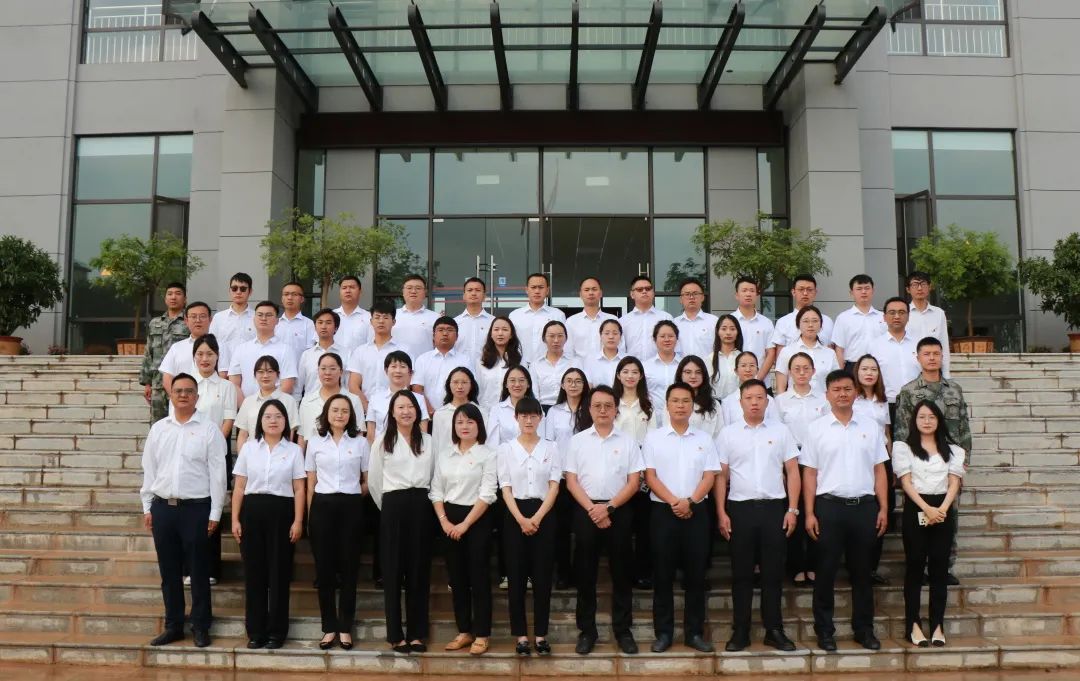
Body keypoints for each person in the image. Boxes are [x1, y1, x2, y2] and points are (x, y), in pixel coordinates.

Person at [801, 370, 889, 652]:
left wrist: (884, 507)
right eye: (836, 389)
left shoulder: (870, 427)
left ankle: (864, 630)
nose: (842, 394)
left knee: (862, 573)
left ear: (855, 392)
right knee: (825, 572)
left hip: (864, 507)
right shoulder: (816, 429)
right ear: (827, 394)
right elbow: (809, 473)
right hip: (829, 508)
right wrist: (809, 512)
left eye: (847, 389)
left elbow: (879, 470)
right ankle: (825, 631)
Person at [139, 373, 227, 649]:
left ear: (197, 397)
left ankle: (200, 625)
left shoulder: (209, 430)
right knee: (169, 571)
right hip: (163, 508)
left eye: (189, 391)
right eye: (178, 391)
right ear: (170, 394)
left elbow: (218, 474)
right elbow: (149, 469)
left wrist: (215, 512)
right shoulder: (159, 429)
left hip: (196, 509)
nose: (183, 395)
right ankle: (173, 625)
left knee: (199, 570)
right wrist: (147, 506)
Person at [714, 379, 800, 652]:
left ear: (767, 401)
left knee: (773, 574)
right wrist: (721, 512)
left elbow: (792, 471)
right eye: (749, 397)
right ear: (740, 401)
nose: (754, 402)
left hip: (774, 509)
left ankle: (774, 629)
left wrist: (792, 509)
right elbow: (721, 476)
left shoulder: (781, 431)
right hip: (740, 509)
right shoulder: (727, 434)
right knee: (741, 574)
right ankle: (740, 630)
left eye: (760, 397)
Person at [564, 386, 644, 655]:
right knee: (585, 573)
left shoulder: (628, 442)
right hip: (586, 509)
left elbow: (634, 482)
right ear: (589, 409)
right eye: (597, 405)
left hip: (618, 509)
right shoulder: (577, 441)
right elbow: (571, 481)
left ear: (615, 410)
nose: (602, 410)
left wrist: (608, 508)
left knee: (622, 572)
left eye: (608, 406)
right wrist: (593, 510)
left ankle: (623, 631)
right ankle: (587, 631)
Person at [643, 382, 720, 654]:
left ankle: (694, 633)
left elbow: (710, 476)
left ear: (692, 405)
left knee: (696, 576)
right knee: (662, 575)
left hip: (696, 511)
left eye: (685, 401)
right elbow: (650, 477)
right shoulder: (653, 438)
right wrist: (675, 502)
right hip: (663, 512)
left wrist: (690, 501)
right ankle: (663, 633)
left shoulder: (704, 439)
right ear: (667, 405)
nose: (680, 405)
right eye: (675, 401)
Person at [893, 336, 971, 585]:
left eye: (936, 353)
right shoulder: (909, 391)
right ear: (917, 358)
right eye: (926, 354)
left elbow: (964, 427)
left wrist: (963, 463)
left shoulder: (954, 389)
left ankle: (943, 567)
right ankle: (919, 567)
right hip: (919, 466)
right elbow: (902, 431)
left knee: (949, 516)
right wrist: (904, 468)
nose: (932, 358)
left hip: (949, 464)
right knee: (918, 516)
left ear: (942, 356)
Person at [231, 399, 306, 649]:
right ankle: (256, 631)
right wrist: (235, 519)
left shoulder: (294, 451)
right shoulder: (249, 448)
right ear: (260, 421)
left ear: (286, 421)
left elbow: (299, 488)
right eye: (268, 416)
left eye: (278, 416)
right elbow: (239, 487)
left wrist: (298, 520)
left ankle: (277, 632)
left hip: (282, 512)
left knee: (279, 573)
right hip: (252, 512)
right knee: (254, 573)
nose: (273, 421)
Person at [368, 390, 436, 653]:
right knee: (393, 572)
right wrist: (389, 508)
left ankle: (417, 634)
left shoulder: (428, 441)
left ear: (417, 411)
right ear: (392, 412)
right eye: (400, 407)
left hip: (421, 505)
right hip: (393, 506)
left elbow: (434, 475)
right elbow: (375, 482)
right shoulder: (382, 441)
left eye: (410, 407)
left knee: (419, 570)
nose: (406, 411)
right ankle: (396, 635)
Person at [894, 400, 964, 648]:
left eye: (932, 417)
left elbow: (954, 482)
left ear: (939, 420)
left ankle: (937, 625)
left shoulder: (954, 450)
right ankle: (913, 625)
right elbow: (906, 482)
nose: (926, 421)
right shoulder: (903, 448)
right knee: (914, 567)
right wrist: (926, 508)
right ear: (914, 420)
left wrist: (941, 510)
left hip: (943, 509)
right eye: (922, 417)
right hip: (917, 508)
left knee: (939, 569)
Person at [430, 403, 498, 656]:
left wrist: (465, 524)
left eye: (470, 421)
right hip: (449, 519)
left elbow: (488, 493)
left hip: (477, 518)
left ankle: (482, 634)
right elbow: (436, 491)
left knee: (479, 578)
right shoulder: (445, 454)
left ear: (479, 425)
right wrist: (445, 521)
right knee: (456, 579)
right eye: (460, 422)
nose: (465, 426)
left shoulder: (488, 454)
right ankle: (464, 631)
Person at [496, 397, 561, 657]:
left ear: (540, 418)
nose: (529, 420)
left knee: (543, 577)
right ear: (516, 418)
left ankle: (541, 634)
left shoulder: (551, 447)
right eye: (524, 416)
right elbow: (505, 488)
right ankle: (521, 635)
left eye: (533, 415)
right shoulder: (506, 449)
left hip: (544, 514)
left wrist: (537, 517)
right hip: (515, 515)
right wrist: (522, 519)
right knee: (516, 577)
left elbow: (554, 486)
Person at [304, 394, 369, 651]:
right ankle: (329, 626)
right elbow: (310, 481)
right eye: (335, 410)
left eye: (344, 411)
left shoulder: (361, 442)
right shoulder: (315, 442)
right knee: (325, 569)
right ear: (326, 414)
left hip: (351, 505)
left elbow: (367, 479)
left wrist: (353, 496)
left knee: (350, 568)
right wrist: (310, 513)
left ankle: (345, 627)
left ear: (351, 415)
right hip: (322, 505)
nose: (340, 415)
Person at [774, 353, 828, 585]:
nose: (802, 372)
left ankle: (813, 565)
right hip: (790, 460)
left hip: (817, 460)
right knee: (792, 511)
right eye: (796, 369)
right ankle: (796, 566)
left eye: (806, 368)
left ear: (814, 371)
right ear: (789, 373)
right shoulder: (780, 401)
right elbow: (776, 432)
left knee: (815, 510)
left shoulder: (823, 400)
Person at [190, 335, 237, 585]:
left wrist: (213, 446)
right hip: (190, 455)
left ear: (218, 356)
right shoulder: (187, 385)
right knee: (191, 510)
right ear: (194, 357)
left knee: (213, 507)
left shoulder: (226, 387)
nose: (205, 358)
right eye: (200, 354)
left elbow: (229, 420)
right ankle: (190, 568)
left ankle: (211, 569)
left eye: (209, 354)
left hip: (217, 454)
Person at [543, 367, 592, 590]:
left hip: (585, 479)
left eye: (578, 381)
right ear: (562, 385)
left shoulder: (591, 410)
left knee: (583, 530)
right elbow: (548, 443)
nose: (573, 385)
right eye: (569, 381)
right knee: (561, 530)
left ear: (584, 385)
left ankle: (582, 574)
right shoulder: (554, 412)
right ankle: (563, 573)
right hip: (562, 479)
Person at [613, 356, 657, 590]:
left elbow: (653, 441)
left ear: (640, 376)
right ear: (618, 375)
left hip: (641, 475)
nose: (630, 376)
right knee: (621, 528)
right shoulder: (612, 403)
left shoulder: (648, 405)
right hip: (617, 473)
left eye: (634, 372)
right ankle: (623, 573)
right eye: (625, 371)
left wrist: (643, 473)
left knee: (643, 527)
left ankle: (643, 572)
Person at [140, 282, 189, 423]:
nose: (173, 297)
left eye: (178, 294)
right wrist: (147, 383)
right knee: (157, 424)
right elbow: (148, 353)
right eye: (170, 294)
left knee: (182, 421)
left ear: (185, 299)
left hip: (181, 383)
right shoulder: (155, 323)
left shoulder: (188, 322)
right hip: (158, 383)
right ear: (165, 298)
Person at [229, 301, 298, 399]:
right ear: (254, 319)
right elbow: (234, 384)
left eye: (269, 315)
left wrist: (267, 405)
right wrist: (246, 405)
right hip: (246, 406)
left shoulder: (286, 350)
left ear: (277, 321)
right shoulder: (241, 349)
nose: (263, 318)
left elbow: (287, 385)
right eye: (260, 315)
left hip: (275, 406)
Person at [160, 302, 230, 395]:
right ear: (186, 320)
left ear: (210, 320)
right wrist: (178, 398)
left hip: (211, 399)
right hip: (182, 400)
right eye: (193, 316)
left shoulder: (221, 346)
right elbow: (167, 378)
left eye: (202, 316)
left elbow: (223, 375)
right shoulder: (176, 347)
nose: (198, 320)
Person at [234, 356, 299, 451]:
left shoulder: (288, 400)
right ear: (255, 375)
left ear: (278, 374)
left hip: (279, 454)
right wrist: (242, 457)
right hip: (252, 454)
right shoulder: (248, 401)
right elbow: (242, 434)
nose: (265, 376)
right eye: (260, 372)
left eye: (270, 371)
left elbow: (290, 432)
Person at [297, 352, 364, 446]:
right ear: (318, 371)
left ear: (341, 372)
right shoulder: (307, 401)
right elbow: (302, 436)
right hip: (314, 453)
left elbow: (359, 433)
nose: (327, 373)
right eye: (323, 368)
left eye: (332, 369)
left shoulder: (354, 400)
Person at [413, 316, 475, 413]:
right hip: (427, 415)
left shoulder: (465, 360)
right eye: (441, 330)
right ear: (433, 335)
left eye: (450, 330)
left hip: (457, 415)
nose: (445, 333)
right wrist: (430, 411)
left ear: (457, 336)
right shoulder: (423, 359)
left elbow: (470, 388)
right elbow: (417, 388)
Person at [364, 351, 430, 441]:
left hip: (411, 448)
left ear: (410, 372)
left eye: (402, 366)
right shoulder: (375, 399)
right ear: (386, 370)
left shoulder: (419, 399)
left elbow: (423, 432)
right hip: (381, 448)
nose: (398, 371)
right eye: (393, 366)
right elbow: (370, 434)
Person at [868, 297, 921, 409]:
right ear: (884, 317)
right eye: (892, 312)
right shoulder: (874, 346)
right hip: (886, 404)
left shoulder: (919, 344)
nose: (897, 316)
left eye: (901, 312)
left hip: (917, 403)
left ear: (908, 316)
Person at [347, 301, 402, 409]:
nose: (381, 321)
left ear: (394, 322)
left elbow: (406, 384)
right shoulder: (360, 351)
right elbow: (353, 385)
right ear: (371, 321)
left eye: (386, 317)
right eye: (377, 317)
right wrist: (367, 408)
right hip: (365, 409)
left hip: (395, 410)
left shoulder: (403, 351)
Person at [775, 305, 837, 395]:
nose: (810, 325)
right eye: (806, 321)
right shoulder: (787, 351)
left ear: (821, 325)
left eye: (815, 321)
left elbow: (836, 383)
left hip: (822, 402)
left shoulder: (830, 353)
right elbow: (781, 387)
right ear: (798, 325)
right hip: (794, 402)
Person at [509, 272, 569, 365]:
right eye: (533, 287)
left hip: (548, 366)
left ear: (547, 290)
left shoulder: (558, 315)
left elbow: (564, 343)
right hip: (520, 366)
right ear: (526, 290)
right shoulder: (515, 316)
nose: (537, 291)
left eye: (541, 287)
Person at [658, 355, 723, 439]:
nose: (693, 376)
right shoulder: (672, 402)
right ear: (680, 374)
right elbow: (667, 430)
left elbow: (719, 434)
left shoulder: (714, 404)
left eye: (698, 372)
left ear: (704, 375)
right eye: (688, 372)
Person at [832, 274, 887, 370]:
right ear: (851, 293)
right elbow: (839, 350)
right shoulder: (843, 318)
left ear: (873, 291)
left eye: (867, 288)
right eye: (859, 289)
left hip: (880, 365)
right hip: (853, 366)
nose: (863, 292)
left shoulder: (883, 317)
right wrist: (840, 373)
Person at [768, 274, 835, 350]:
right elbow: (780, 354)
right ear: (793, 292)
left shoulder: (827, 321)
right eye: (801, 289)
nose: (805, 293)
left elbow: (831, 350)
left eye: (809, 290)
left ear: (815, 292)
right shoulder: (783, 322)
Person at [904, 271, 951, 377]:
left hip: (933, 371)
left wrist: (946, 373)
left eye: (923, 284)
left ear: (929, 287)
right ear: (908, 289)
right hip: (909, 371)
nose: (920, 288)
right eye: (915, 284)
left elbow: (944, 345)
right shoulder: (903, 313)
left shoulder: (939, 313)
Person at [730, 277, 775, 383]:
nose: (748, 294)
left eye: (752, 291)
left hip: (762, 382)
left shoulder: (766, 322)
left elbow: (771, 353)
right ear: (737, 295)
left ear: (757, 294)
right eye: (744, 290)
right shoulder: (729, 322)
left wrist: (758, 379)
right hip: (734, 382)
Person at [431, 367, 484, 456]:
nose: (460, 386)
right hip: (446, 462)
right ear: (449, 385)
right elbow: (436, 446)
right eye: (455, 382)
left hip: (474, 462)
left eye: (464, 382)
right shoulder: (440, 414)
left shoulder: (482, 412)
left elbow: (484, 442)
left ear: (471, 385)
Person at [297, 308, 347, 400]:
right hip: (311, 405)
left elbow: (348, 386)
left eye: (328, 323)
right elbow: (298, 388)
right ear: (315, 327)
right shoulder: (306, 355)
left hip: (338, 404)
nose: (323, 326)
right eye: (320, 322)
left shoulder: (346, 354)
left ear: (336, 328)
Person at [619, 275, 672, 360]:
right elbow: (620, 350)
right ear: (632, 294)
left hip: (659, 366)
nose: (644, 291)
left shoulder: (666, 318)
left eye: (648, 289)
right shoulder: (623, 321)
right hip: (632, 367)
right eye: (639, 289)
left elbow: (673, 346)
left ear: (653, 292)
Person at [566, 277, 618, 363]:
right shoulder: (571, 322)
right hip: (580, 368)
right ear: (580, 294)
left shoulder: (612, 319)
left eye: (594, 289)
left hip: (607, 367)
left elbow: (620, 349)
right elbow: (568, 351)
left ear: (600, 293)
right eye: (586, 290)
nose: (591, 293)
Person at [487, 365, 541, 447]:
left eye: (521, 380)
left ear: (528, 384)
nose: (517, 384)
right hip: (504, 454)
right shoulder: (497, 410)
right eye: (512, 380)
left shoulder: (537, 408)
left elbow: (541, 439)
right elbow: (492, 444)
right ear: (506, 384)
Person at [476, 316, 522, 412]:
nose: (500, 333)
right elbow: (478, 391)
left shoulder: (520, 361)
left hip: (513, 411)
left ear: (511, 335)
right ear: (491, 334)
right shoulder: (481, 362)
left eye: (505, 329)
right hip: (486, 411)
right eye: (496, 329)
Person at [720, 352, 780, 425]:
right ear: (736, 371)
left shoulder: (769, 400)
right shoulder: (727, 402)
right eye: (743, 365)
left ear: (757, 370)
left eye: (752, 365)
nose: (748, 369)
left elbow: (776, 426)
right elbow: (726, 429)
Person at [275, 282, 316, 388]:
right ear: (282, 299)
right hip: (275, 379)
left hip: (299, 381)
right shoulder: (275, 323)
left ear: (302, 299)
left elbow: (310, 354)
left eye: (294, 294)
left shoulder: (309, 324)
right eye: (286, 294)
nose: (290, 297)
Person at [530, 320, 579, 409]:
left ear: (566, 338)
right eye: (551, 336)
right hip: (542, 409)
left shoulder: (575, 362)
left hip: (569, 407)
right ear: (544, 339)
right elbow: (534, 393)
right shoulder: (535, 365)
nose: (556, 340)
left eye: (560, 336)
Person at [391, 275, 442, 361]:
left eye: (418, 288)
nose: (413, 291)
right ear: (403, 292)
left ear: (425, 292)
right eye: (409, 288)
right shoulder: (392, 316)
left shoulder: (435, 317)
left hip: (425, 365)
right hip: (397, 366)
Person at [208, 272, 256, 357]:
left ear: (250, 291)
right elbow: (211, 346)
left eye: (243, 289)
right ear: (229, 290)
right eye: (234, 288)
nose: (238, 292)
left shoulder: (257, 318)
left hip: (251, 364)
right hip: (224, 365)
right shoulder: (219, 318)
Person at [673, 278, 718, 359]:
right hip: (681, 367)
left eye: (695, 293)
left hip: (707, 367)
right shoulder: (674, 324)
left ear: (702, 297)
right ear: (681, 299)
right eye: (687, 294)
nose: (691, 297)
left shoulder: (714, 321)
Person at [641, 320, 682, 406]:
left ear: (677, 338)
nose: (667, 339)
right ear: (655, 339)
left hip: (680, 412)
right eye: (662, 336)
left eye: (671, 336)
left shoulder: (684, 365)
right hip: (653, 413)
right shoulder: (645, 366)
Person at [454, 277, 495, 359]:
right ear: (464, 296)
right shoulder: (454, 323)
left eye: (478, 290)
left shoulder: (493, 322)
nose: (473, 293)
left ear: (484, 296)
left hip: (486, 366)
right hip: (460, 366)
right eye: (470, 290)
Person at [333, 275, 372, 358]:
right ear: (340, 292)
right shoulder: (330, 316)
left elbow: (372, 345)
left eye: (352, 287)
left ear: (360, 291)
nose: (348, 291)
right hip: (333, 364)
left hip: (359, 364)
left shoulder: (369, 318)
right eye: (344, 288)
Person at [706, 314, 743, 399]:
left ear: (738, 332)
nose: (728, 332)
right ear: (717, 332)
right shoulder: (709, 359)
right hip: (716, 403)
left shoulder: (743, 358)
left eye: (732, 329)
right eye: (724, 329)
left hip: (739, 403)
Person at [583, 319, 625, 388]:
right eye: (607, 333)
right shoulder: (591, 360)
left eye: (615, 333)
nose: (611, 337)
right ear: (600, 336)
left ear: (620, 336)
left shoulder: (627, 359)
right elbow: (588, 386)